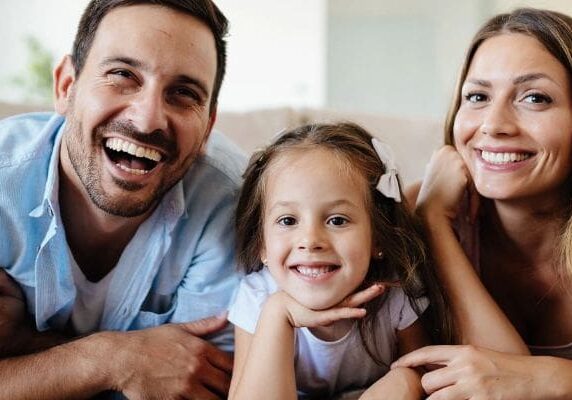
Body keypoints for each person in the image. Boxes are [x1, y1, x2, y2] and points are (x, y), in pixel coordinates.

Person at [0, 0, 245, 398]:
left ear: (208, 126)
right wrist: (112, 359)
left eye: (183, 93)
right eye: (121, 75)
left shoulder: (234, 206)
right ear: (66, 87)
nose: (148, 119)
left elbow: (199, 387)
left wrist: (26, 353)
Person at [392, 7, 572, 399]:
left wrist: (549, 378)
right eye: (477, 96)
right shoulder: (413, 211)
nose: (493, 124)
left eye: (535, 98)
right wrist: (433, 222)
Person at [227, 122, 449, 399]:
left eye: (337, 220)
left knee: (406, 377)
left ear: (377, 239)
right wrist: (278, 313)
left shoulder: (395, 293)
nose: (310, 240)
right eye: (288, 220)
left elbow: (425, 376)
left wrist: (409, 379)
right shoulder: (258, 298)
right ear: (262, 244)